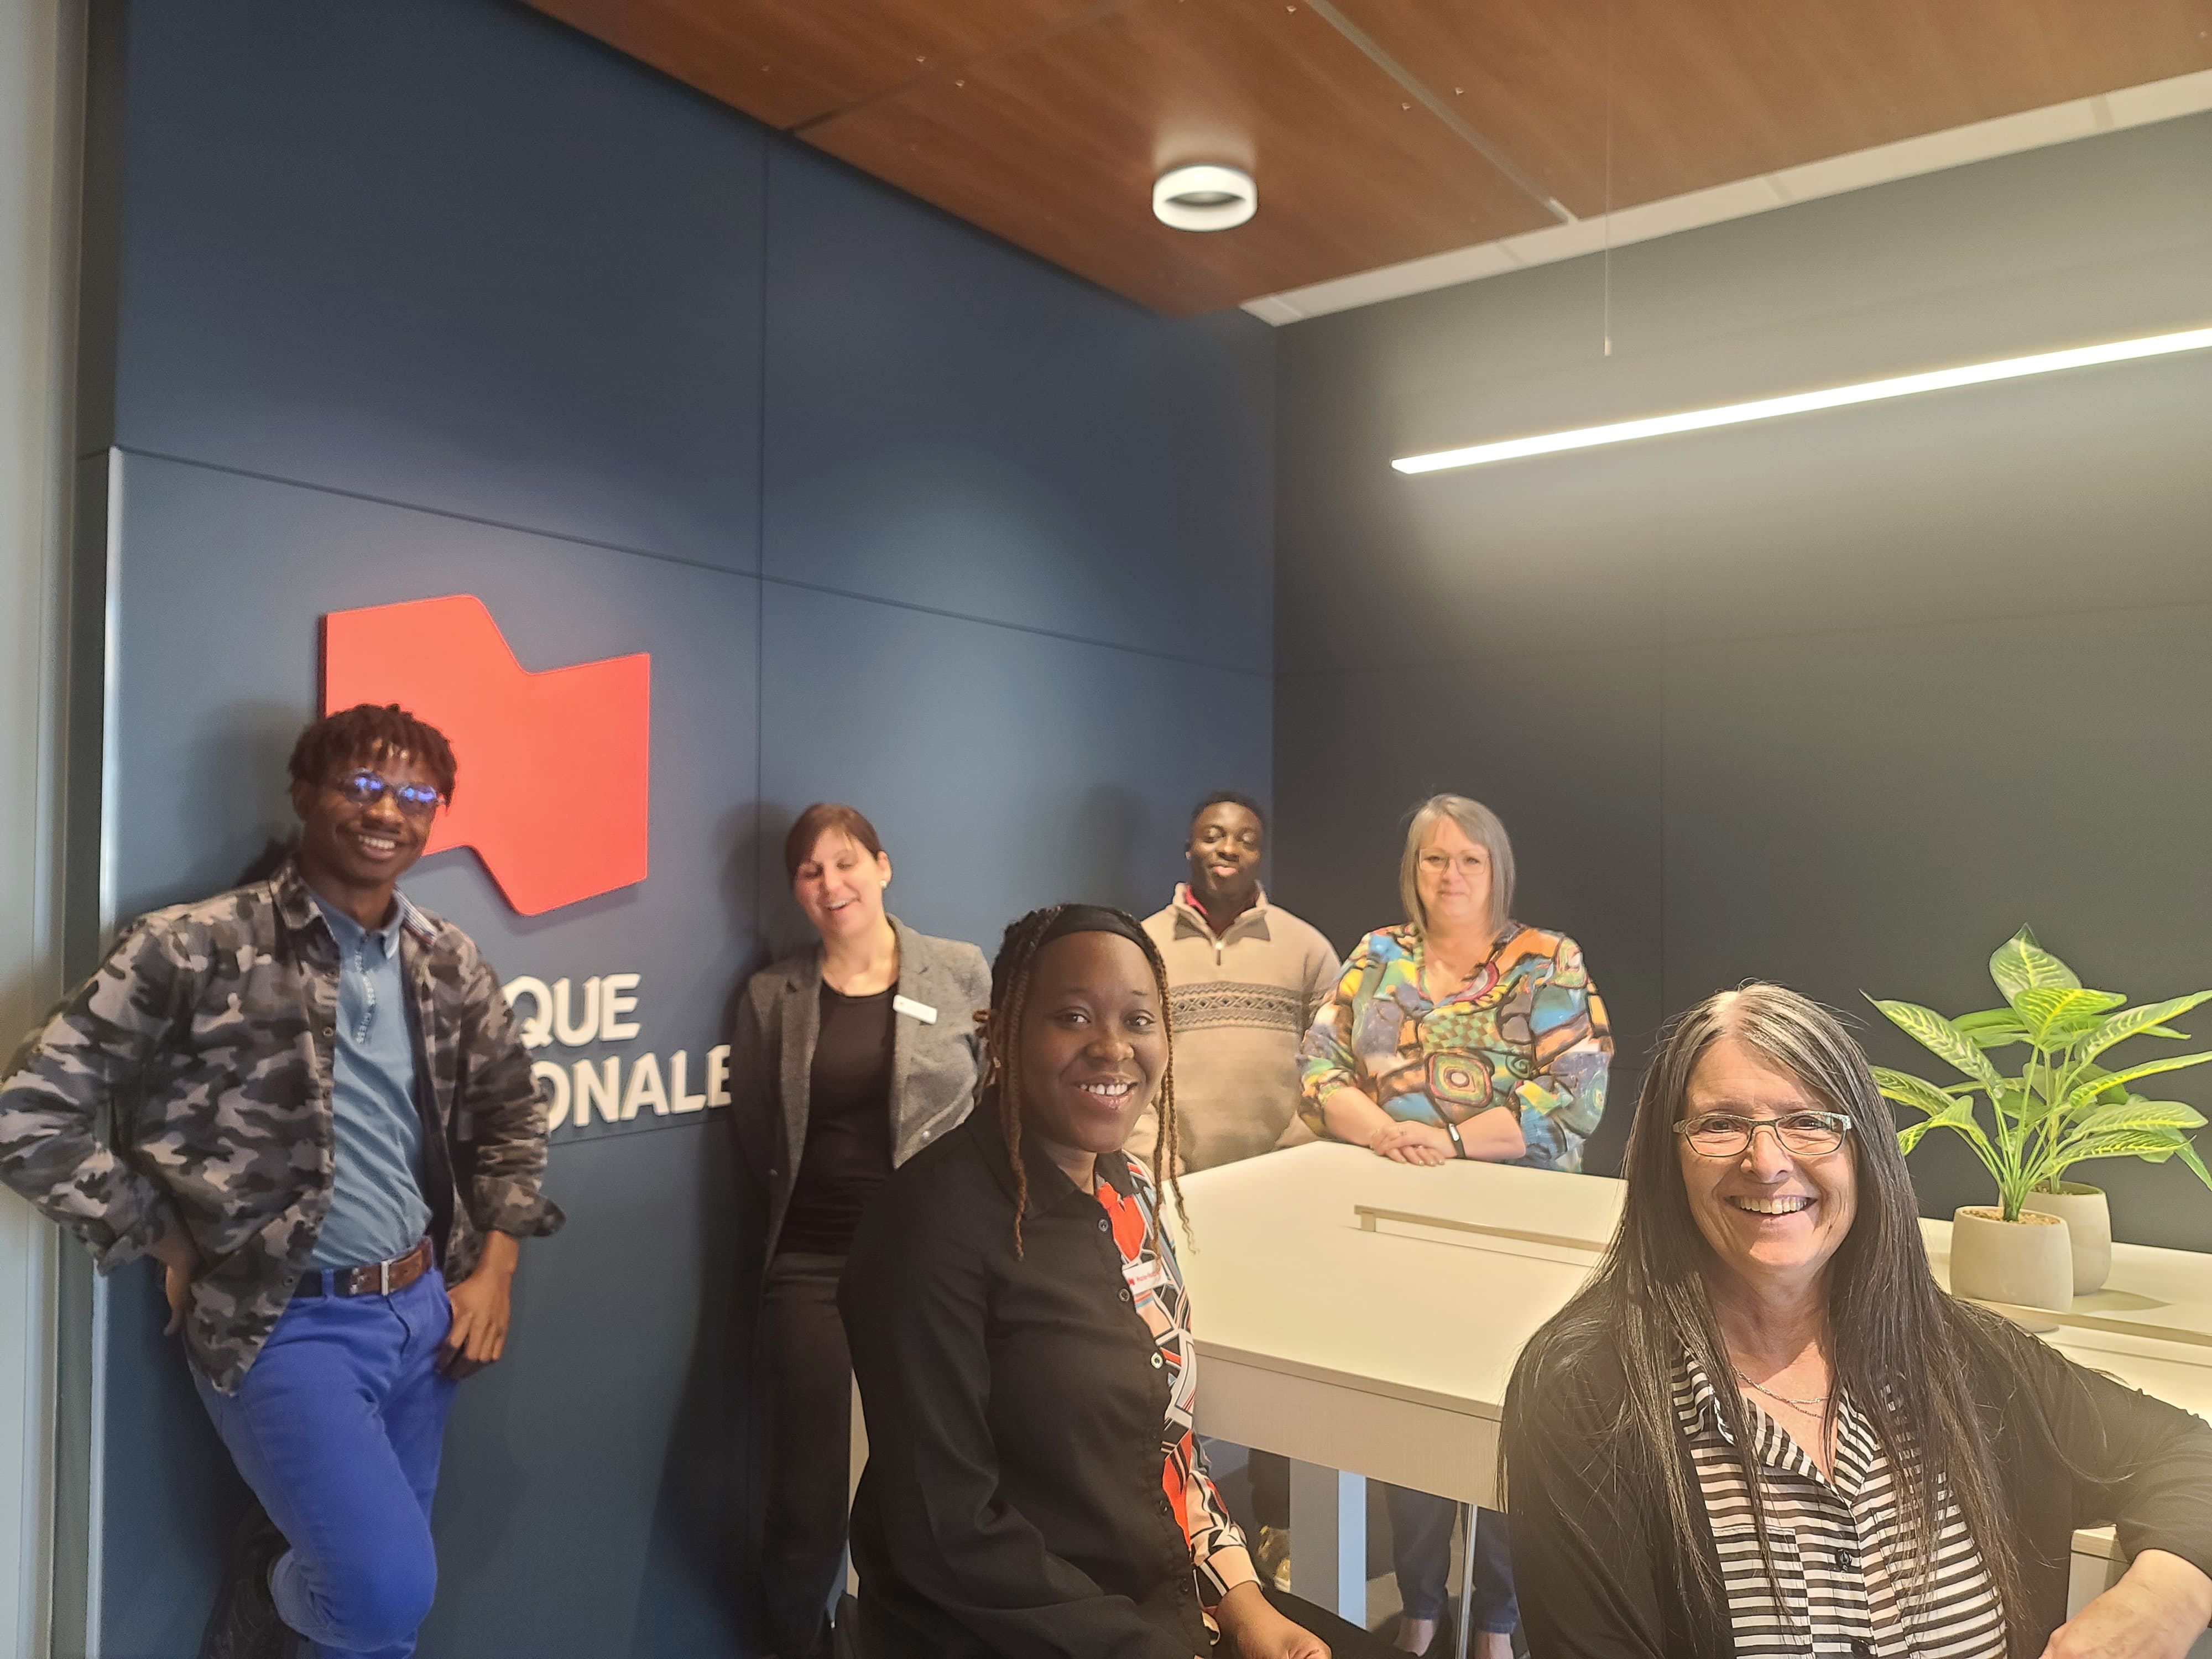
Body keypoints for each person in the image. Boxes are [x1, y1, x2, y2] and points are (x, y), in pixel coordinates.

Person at [0, 702, 562, 1659]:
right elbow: (28, 1115)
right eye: (363, 785)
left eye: (416, 796)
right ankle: (271, 1585)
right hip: (282, 1325)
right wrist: (165, 1236)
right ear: (305, 793)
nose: (389, 811)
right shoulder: (193, 946)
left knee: (382, 1628)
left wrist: (496, 1268)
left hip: (424, 1317)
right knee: (381, 1593)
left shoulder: (445, 958)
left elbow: (513, 1114)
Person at [1503, 984, 2212, 1658]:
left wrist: (2160, 1603)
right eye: (1720, 1125)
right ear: (1669, 1157)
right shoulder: (1587, 1391)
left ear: (1863, 1149)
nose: (1767, 1162)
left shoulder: (1963, 1358)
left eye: (1809, 1121)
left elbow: (2187, 1453)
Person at [840, 904, 1392, 1658]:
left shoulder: (1128, 1189)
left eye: (1138, 1021)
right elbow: (948, 1534)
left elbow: (1168, 1447)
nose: (1112, 1048)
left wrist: (1243, 1604)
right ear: (1003, 1030)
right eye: (1072, 1017)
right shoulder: (928, 1226)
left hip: (1167, 1602)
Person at [1298, 793, 1610, 1658]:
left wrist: (1448, 1140)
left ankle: (1499, 1624)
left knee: (1513, 1429)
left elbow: (1575, 1097)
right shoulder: (1378, 956)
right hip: (1398, 1232)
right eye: (1435, 858)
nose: (1452, 874)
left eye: (1470, 858)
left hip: (1519, 1240)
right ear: (1414, 869)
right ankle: (1422, 1611)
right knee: (1411, 1425)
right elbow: (1317, 1069)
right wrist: (1385, 1133)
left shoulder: (1546, 961)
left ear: (1496, 868)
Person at [726, 802, 990, 1659]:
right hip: (812, 1267)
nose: (830, 884)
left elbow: (997, 1106)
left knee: (937, 1481)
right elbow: (759, 1134)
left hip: (930, 1267)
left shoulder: (960, 970)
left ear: (883, 866)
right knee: (807, 1500)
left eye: (846, 863)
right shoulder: (772, 996)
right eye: (810, 871)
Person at [1134, 790, 1339, 1591]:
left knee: (1286, 1368)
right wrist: (1155, 1167)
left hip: (1280, 1204)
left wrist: (1287, 1166)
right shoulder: (1146, 944)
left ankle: (1282, 1527)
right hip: (1176, 1198)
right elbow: (1134, 1065)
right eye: (1214, 836)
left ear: (1261, 852)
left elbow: (1332, 1069)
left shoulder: (1306, 948)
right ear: (1190, 846)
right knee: (1179, 1363)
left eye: (1245, 839)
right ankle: (1193, 1530)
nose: (1228, 848)